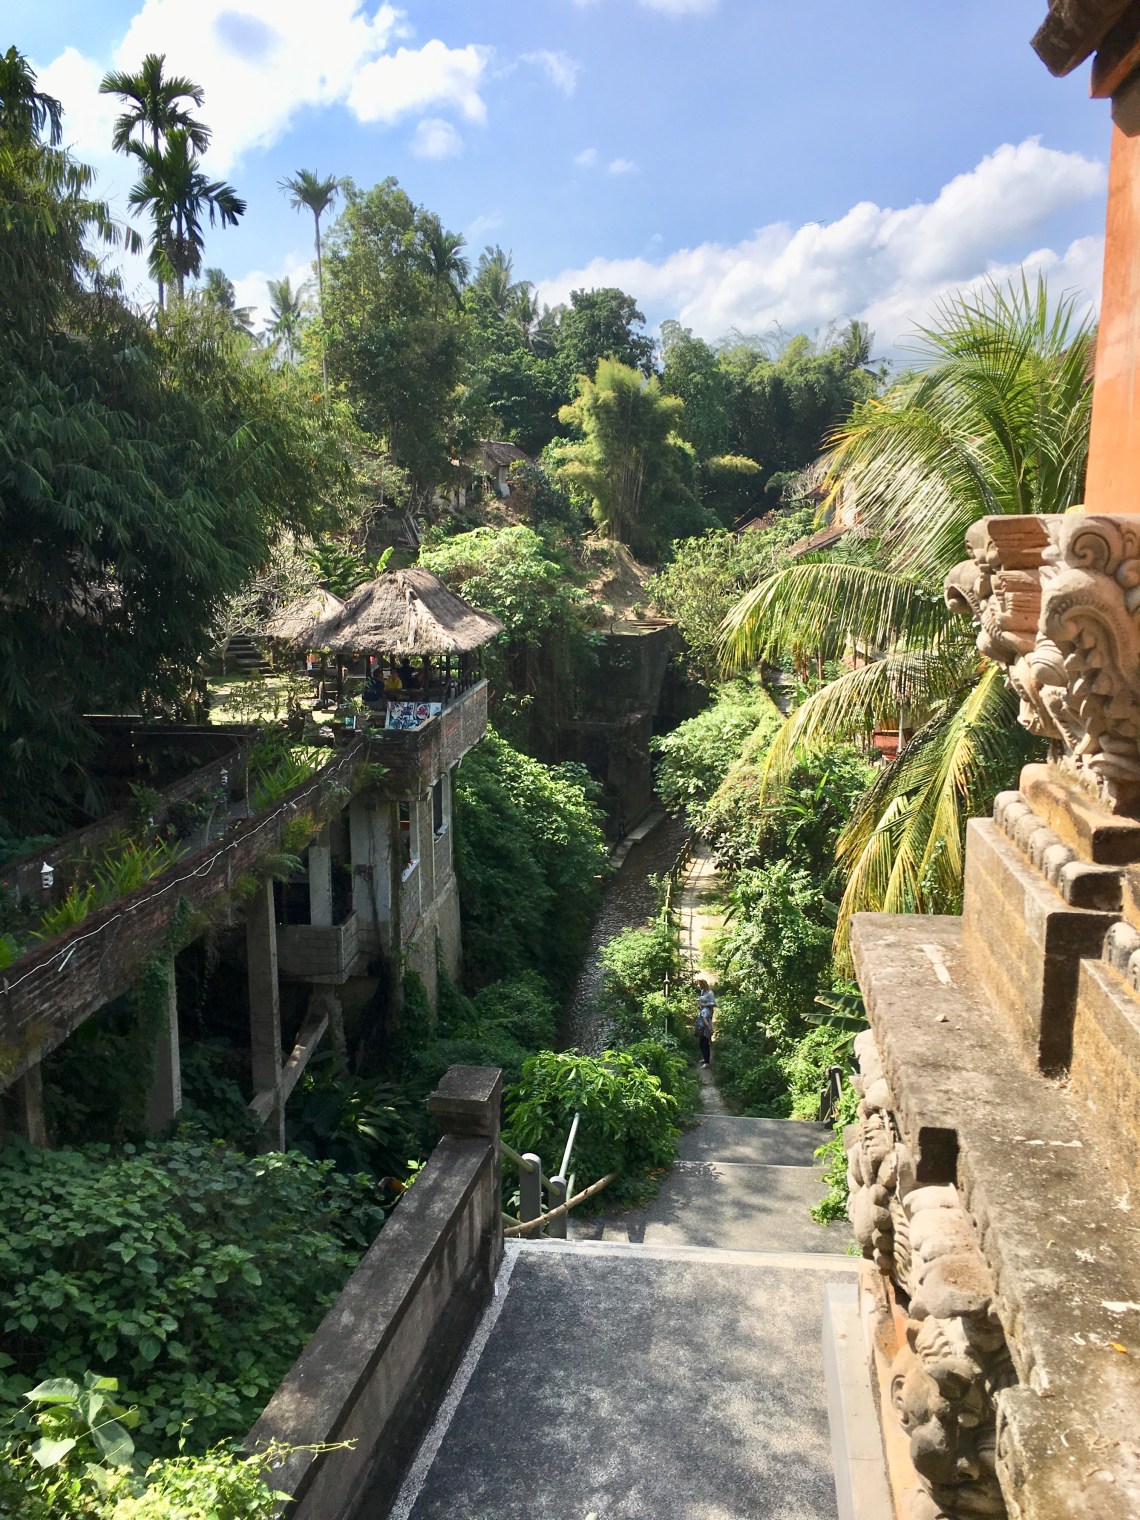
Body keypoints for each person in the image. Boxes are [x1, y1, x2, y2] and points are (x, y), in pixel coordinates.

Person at [695, 980, 716, 1067]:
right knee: (702, 1042)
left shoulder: (710, 993)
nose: (699, 986)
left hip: (706, 1014)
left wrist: (704, 1007)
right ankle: (705, 1058)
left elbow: (712, 1005)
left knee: (705, 1042)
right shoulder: (702, 991)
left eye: (700, 984)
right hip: (702, 1012)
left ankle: (707, 1061)